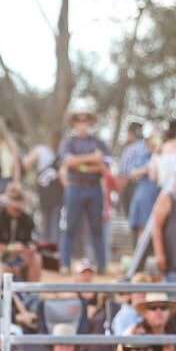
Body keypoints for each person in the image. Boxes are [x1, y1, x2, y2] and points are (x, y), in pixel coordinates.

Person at [57, 105, 111, 270]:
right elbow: (67, 162)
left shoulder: (99, 142)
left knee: (96, 228)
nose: (82, 123)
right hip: (75, 188)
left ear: (90, 122)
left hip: (94, 188)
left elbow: (105, 166)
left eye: (85, 120)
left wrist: (81, 163)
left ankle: (102, 265)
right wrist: (92, 159)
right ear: (73, 123)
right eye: (78, 120)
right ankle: (65, 264)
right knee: (70, 227)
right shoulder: (68, 142)